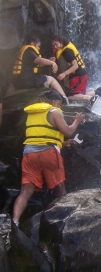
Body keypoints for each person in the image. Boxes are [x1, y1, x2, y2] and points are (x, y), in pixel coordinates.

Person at [12, 90, 85, 226]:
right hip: (48, 154)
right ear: (53, 101)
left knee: (25, 192)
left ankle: (14, 222)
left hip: (29, 154)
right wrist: (76, 121)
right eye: (59, 104)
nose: (60, 107)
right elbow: (68, 131)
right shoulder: (54, 112)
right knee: (60, 190)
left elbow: (40, 136)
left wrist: (62, 143)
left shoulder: (31, 114)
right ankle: (64, 222)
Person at [11, 36, 69, 104]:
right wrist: (52, 63)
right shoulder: (29, 51)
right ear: (32, 43)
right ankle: (65, 98)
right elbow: (38, 60)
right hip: (27, 81)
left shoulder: (23, 51)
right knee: (51, 79)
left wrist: (49, 61)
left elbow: (38, 64)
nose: (39, 48)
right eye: (38, 46)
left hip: (18, 82)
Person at [50, 35, 101, 108]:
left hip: (78, 76)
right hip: (82, 74)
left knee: (70, 96)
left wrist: (64, 74)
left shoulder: (66, 51)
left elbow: (75, 66)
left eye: (56, 44)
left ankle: (91, 99)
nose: (55, 47)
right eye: (54, 45)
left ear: (61, 42)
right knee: (79, 94)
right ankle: (97, 92)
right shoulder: (65, 49)